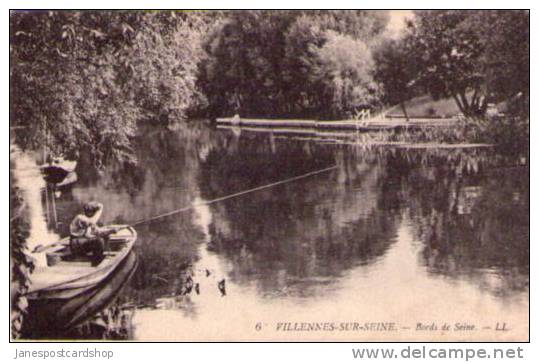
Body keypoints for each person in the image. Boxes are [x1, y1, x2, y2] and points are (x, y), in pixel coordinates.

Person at [69, 201, 114, 266]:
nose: (93, 214)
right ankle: (96, 264)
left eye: (94, 212)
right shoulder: (80, 218)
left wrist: (111, 231)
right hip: (76, 246)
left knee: (104, 237)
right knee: (99, 241)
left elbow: (98, 231)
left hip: (83, 245)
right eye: (93, 212)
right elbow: (92, 222)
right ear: (87, 211)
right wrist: (100, 209)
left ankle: (98, 261)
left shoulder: (89, 220)